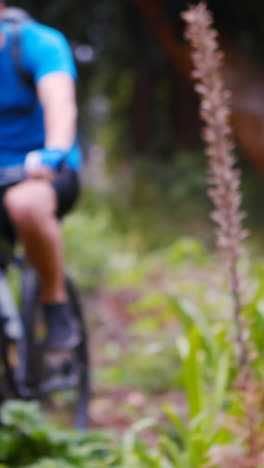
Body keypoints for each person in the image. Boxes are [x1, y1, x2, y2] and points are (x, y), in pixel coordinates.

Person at [0, 1, 82, 349]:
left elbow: (59, 100)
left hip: (40, 172)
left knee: (25, 205)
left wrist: (54, 150)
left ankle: (55, 303)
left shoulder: (38, 43)